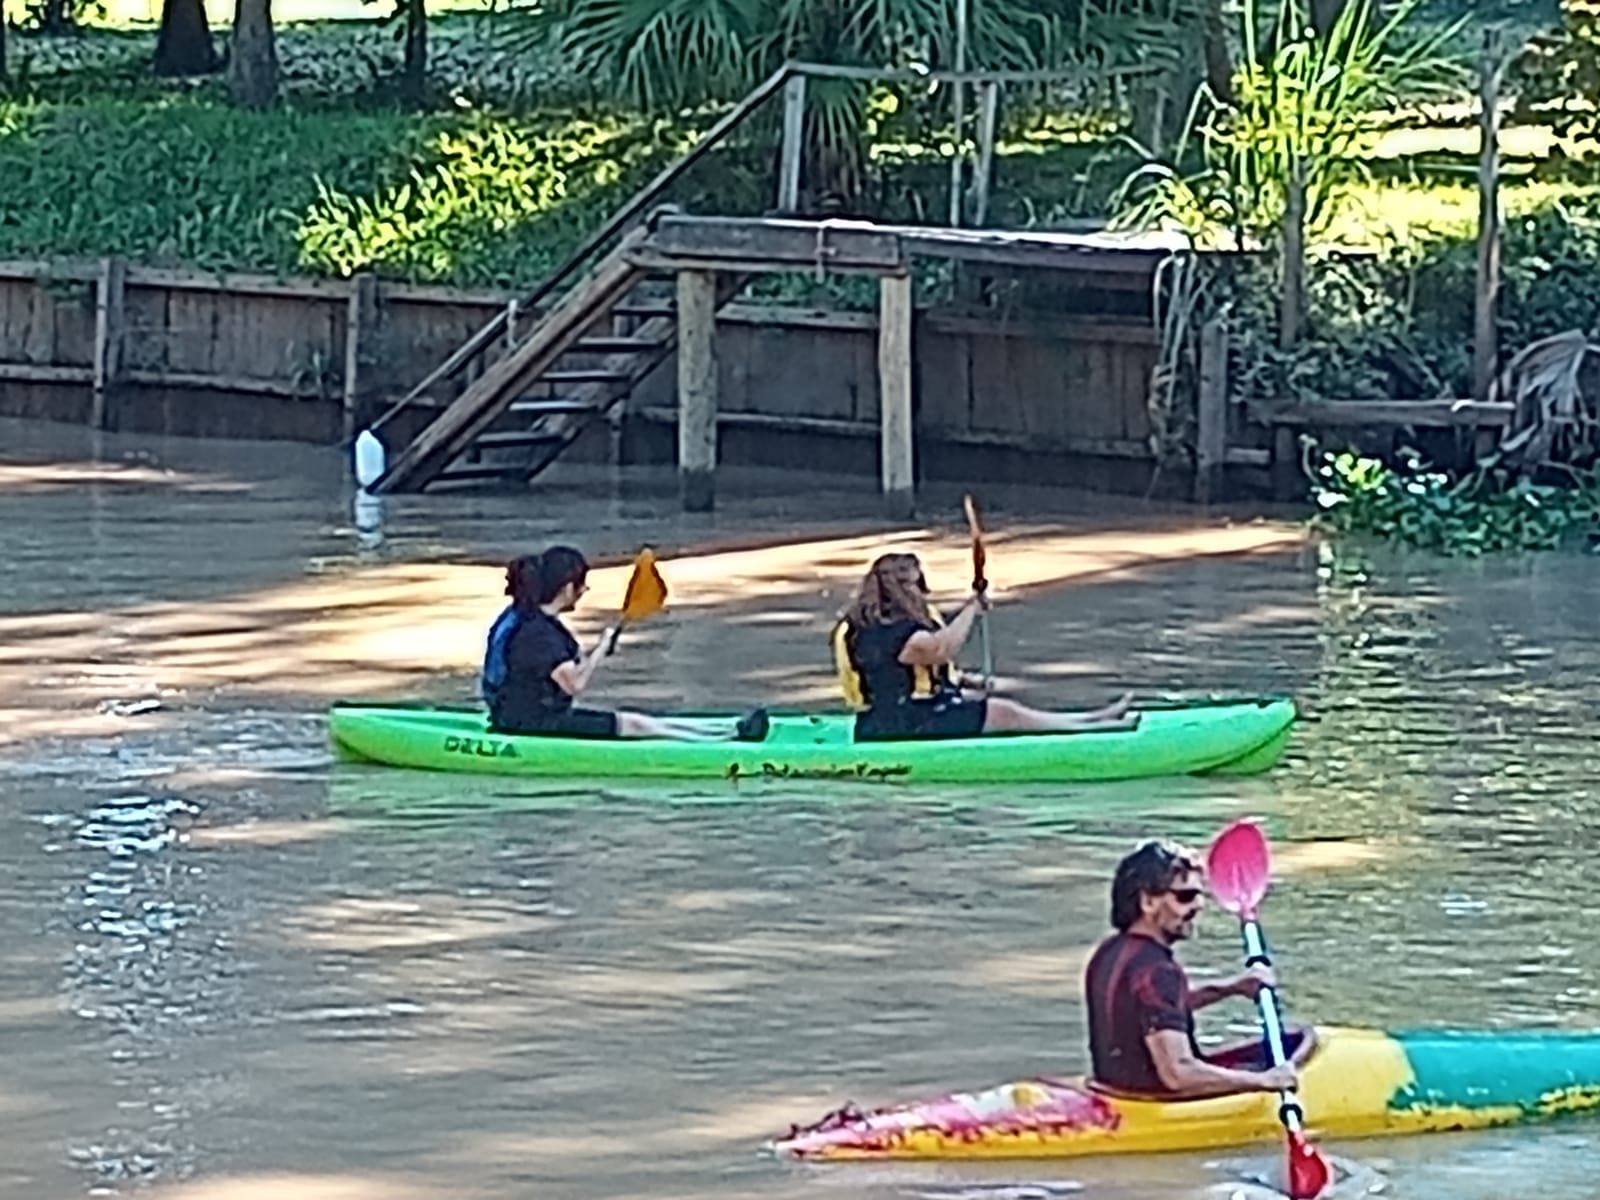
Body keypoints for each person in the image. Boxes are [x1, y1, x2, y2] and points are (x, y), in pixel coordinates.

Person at [1084, 840, 1318, 1099]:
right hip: (1159, 1102)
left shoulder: (1109, 952)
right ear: (1148, 902)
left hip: (1114, 1091)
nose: (1199, 905)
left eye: (1199, 895)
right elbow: (1178, 1074)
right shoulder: (1158, 971)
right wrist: (1264, 1080)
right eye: (1185, 896)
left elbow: (1155, 1008)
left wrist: (1231, 988)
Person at [831, 552, 1138, 742]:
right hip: (896, 725)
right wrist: (972, 608)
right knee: (1003, 712)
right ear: (897, 589)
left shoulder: (887, 624)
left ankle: (1092, 719)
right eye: (915, 585)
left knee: (999, 704)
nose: (922, 592)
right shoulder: (884, 632)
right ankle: (1089, 730)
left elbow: (922, 671)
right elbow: (941, 649)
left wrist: (968, 681)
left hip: (907, 714)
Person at [482, 547, 768, 742]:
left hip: (521, 715)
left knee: (637, 720)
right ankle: (725, 740)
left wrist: (596, 651)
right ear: (568, 589)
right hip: (531, 724)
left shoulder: (531, 621)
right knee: (634, 724)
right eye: (581, 585)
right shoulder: (539, 635)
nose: (584, 590)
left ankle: (726, 728)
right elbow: (574, 685)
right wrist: (599, 651)